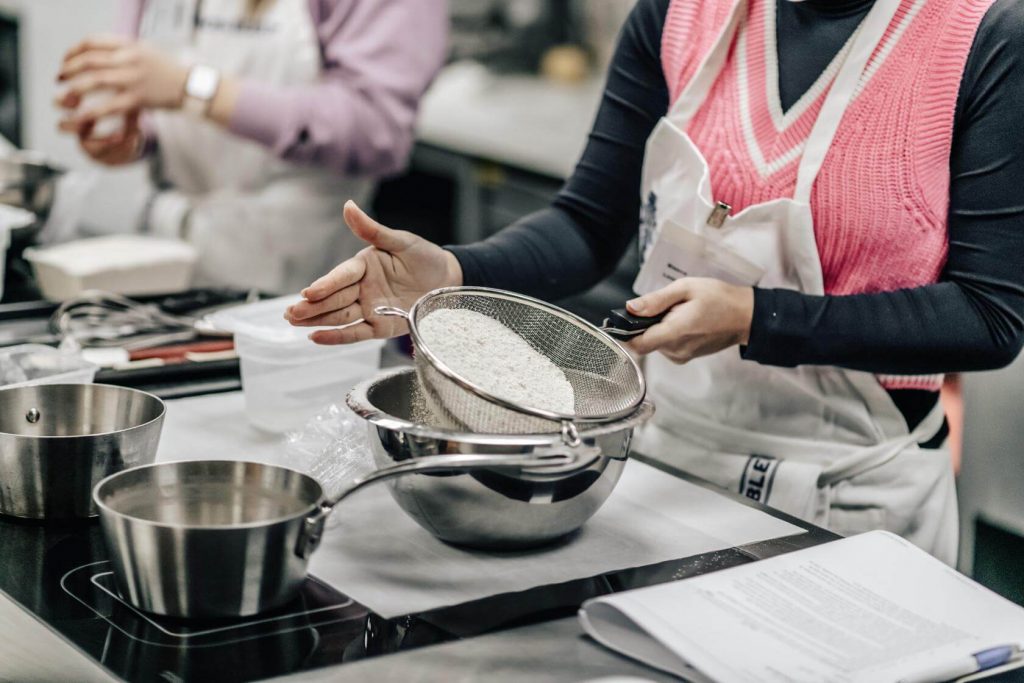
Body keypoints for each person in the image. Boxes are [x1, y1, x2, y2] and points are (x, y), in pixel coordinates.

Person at [285, 0, 1024, 565]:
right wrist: (455, 271)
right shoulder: (680, 13)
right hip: (670, 471)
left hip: (852, 502)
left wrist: (755, 317)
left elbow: (989, 317)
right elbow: (587, 224)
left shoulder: (984, 37)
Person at [55, 0, 447, 293]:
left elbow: (376, 129)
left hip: (306, 280)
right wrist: (137, 137)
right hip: (166, 264)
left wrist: (191, 88)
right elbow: (161, 84)